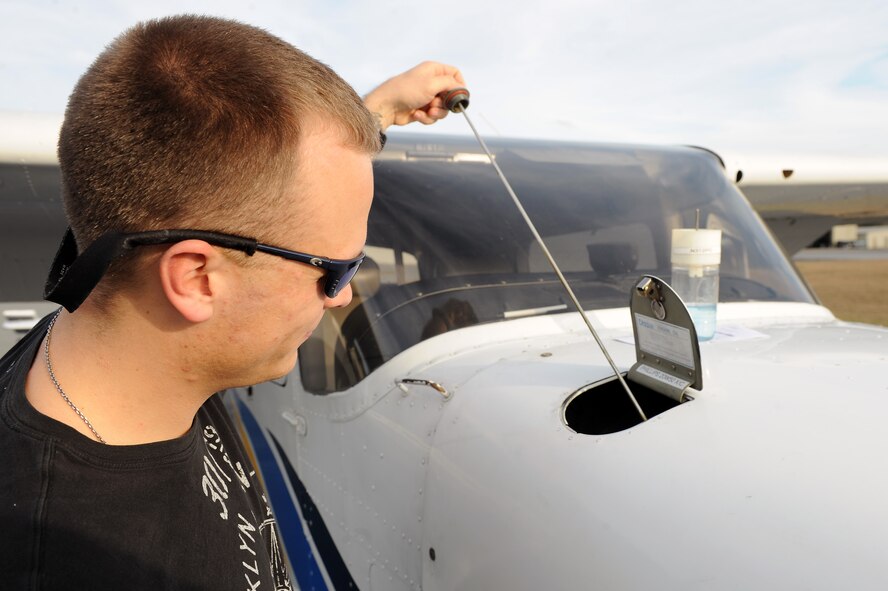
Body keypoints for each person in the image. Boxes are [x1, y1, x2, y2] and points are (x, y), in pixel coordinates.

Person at [0, 14, 464, 589]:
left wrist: (375, 113)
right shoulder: (75, 557)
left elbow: (235, 189)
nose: (343, 299)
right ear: (197, 278)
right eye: (337, 270)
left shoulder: (100, 310)